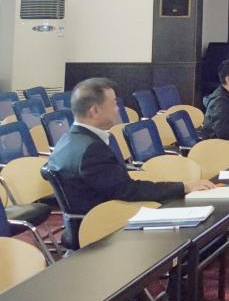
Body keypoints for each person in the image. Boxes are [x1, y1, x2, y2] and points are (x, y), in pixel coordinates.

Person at [42, 78, 215, 249]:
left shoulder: (68, 139)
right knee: (196, 235)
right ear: (95, 110)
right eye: (113, 104)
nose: (118, 109)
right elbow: (127, 190)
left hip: (97, 217)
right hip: (103, 227)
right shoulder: (91, 149)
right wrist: (184, 187)